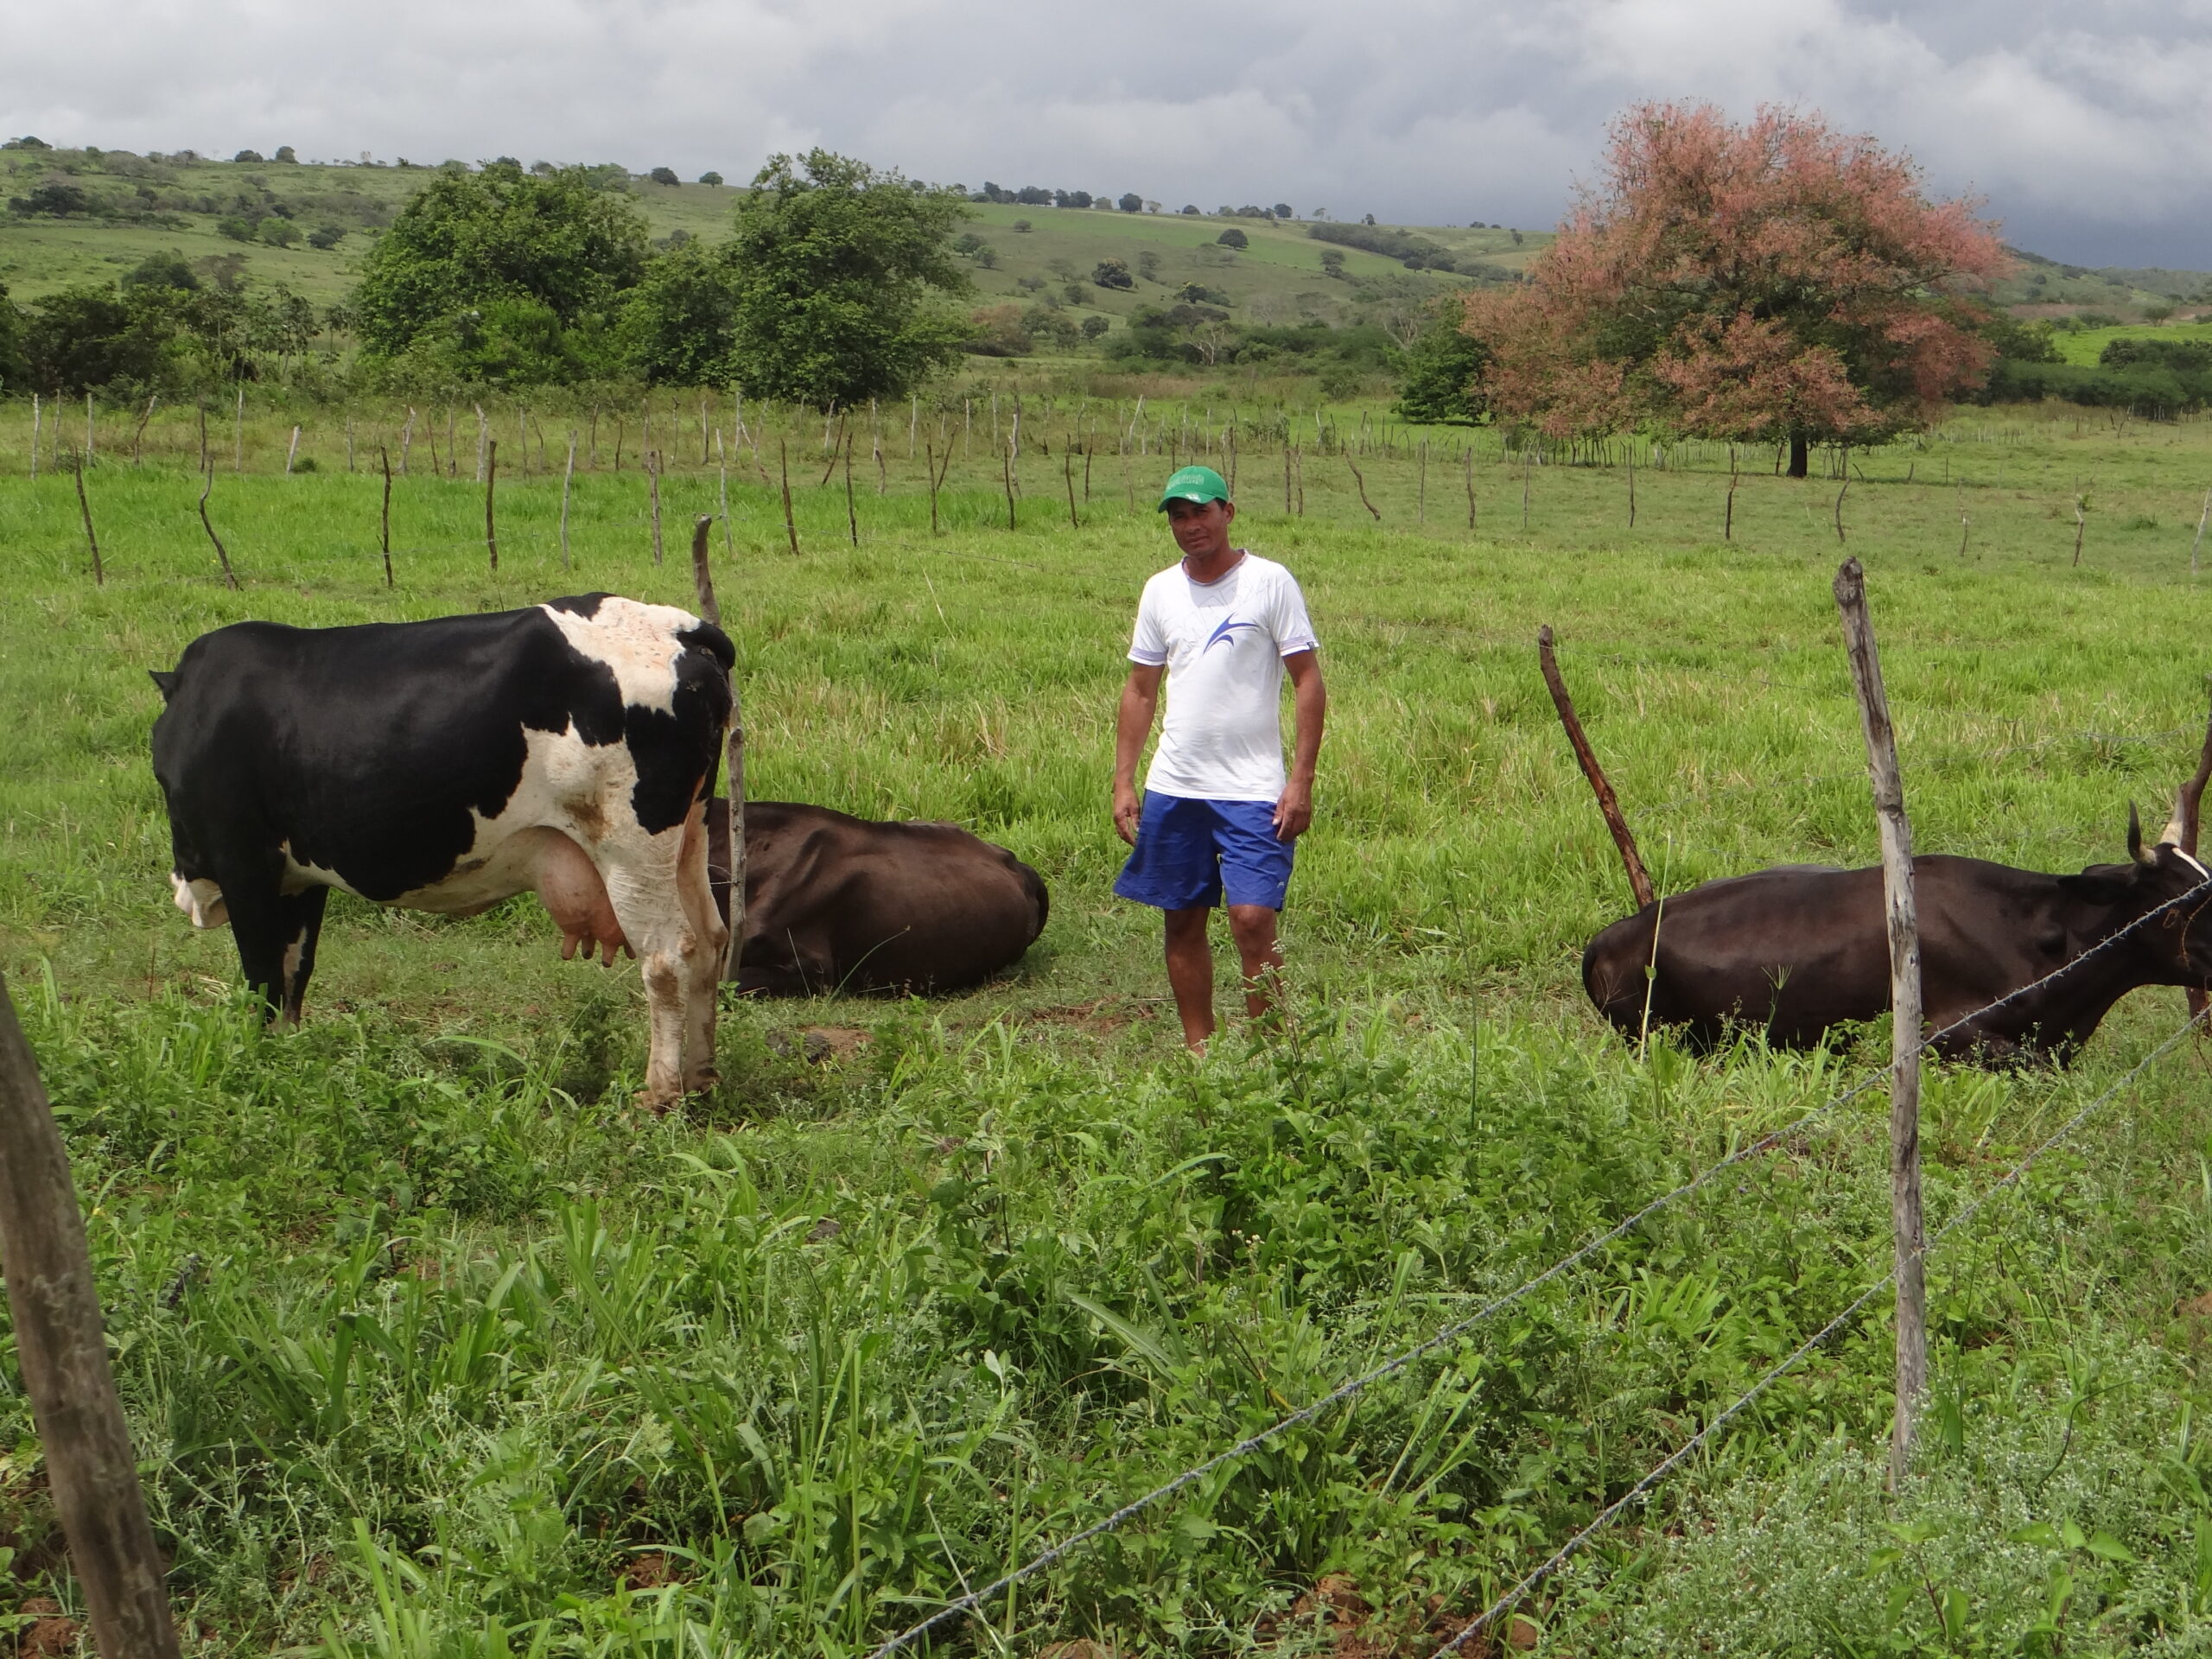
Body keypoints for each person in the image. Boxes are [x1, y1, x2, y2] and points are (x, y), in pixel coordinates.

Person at [1112, 464, 1325, 1051]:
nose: (1189, 525)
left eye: (1201, 511)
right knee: (1182, 919)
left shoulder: (1270, 582)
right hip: (1176, 784)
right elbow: (1140, 689)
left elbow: (1307, 680)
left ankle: (1272, 1058)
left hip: (1254, 787)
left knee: (1252, 921)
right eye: (1178, 516)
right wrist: (1124, 781)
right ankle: (1201, 1054)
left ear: (1228, 512)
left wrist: (1301, 779)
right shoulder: (1160, 590)